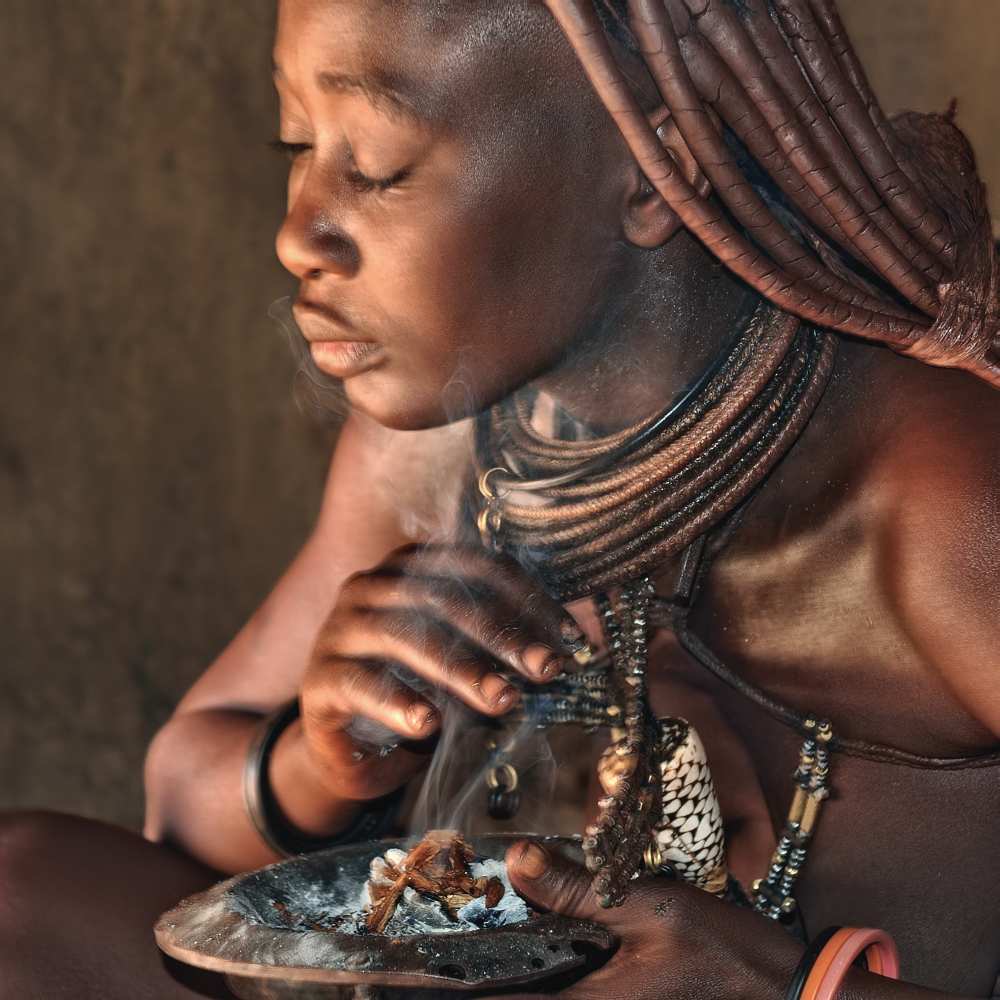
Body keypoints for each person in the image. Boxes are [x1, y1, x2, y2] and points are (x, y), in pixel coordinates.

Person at [1, 1, 997, 997]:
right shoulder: (437, 444)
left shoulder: (941, 496)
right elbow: (180, 801)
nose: (298, 234)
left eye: (378, 163)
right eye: (296, 144)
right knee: (26, 892)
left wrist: (784, 986)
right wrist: (320, 757)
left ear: (656, 175)